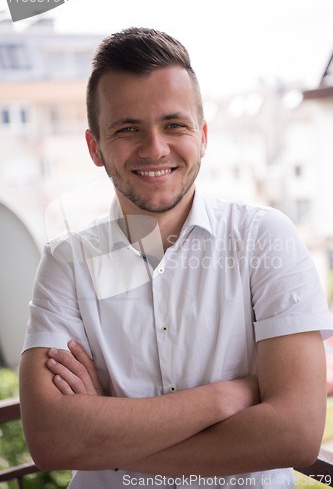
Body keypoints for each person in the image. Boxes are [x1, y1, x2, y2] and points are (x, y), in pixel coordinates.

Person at [19, 27, 333, 489]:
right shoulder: (67, 261)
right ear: (94, 148)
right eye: (127, 128)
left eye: (174, 125)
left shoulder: (266, 238)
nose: (155, 148)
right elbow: (51, 440)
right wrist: (228, 396)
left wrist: (107, 435)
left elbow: (296, 434)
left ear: (202, 136)